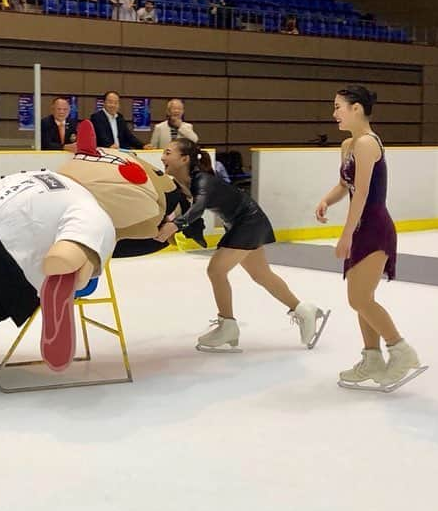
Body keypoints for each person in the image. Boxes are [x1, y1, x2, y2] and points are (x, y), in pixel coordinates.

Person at [156, 138, 328, 351]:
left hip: (248, 222)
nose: (162, 157)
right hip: (243, 223)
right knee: (261, 275)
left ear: (184, 159)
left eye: (168, 152)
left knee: (216, 270)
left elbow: (198, 208)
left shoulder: (201, 180)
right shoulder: (183, 182)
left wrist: (174, 226)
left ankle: (227, 325)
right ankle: (304, 310)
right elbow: (183, 207)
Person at [314, 85, 421, 390]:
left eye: (338, 107)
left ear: (357, 108)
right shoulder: (348, 144)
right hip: (362, 226)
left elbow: (361, 193)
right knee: (363, 299)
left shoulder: (366, 143)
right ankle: (372, 359)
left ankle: (400, 350)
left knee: (358, 298)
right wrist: (326, 200)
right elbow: (344, 185)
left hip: (373, 227)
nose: (334, 113)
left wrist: (346, 234)